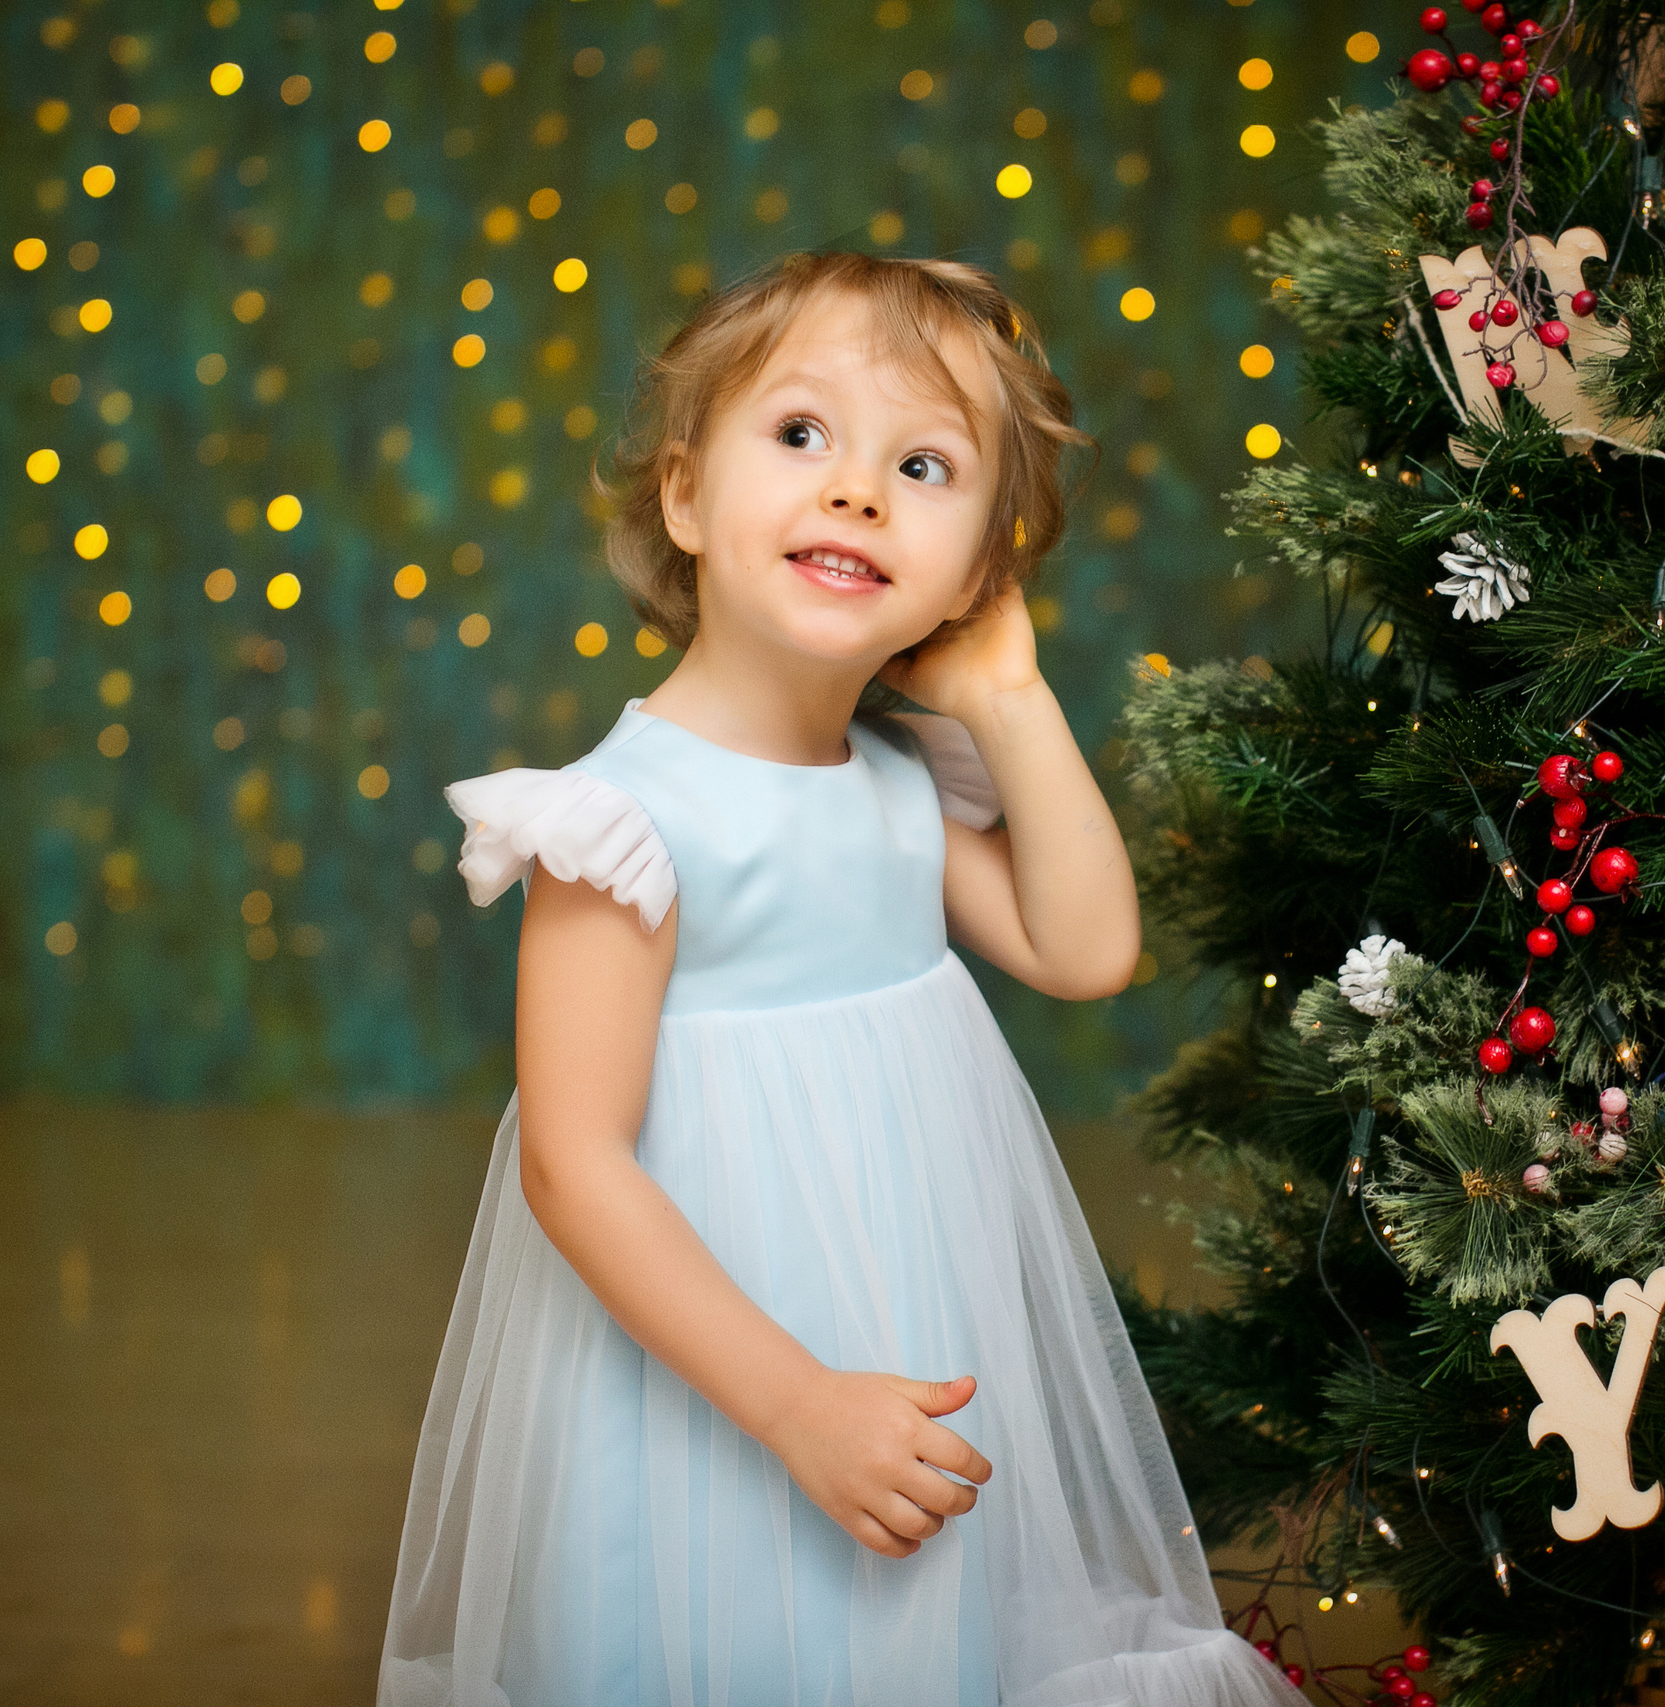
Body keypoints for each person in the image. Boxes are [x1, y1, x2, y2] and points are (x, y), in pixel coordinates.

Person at [376, 252, 1303, 1707]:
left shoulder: (897, 781)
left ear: (975, 569)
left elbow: (1085, 948)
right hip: (721, 1359)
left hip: (905, 1312)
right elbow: (572, 1162)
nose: (858, 490)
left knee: (914, 1638)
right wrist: (796, 1403)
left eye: (923, 466)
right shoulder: (622, 823)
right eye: (801, 436)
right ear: (685, 496)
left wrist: (1007, 692)